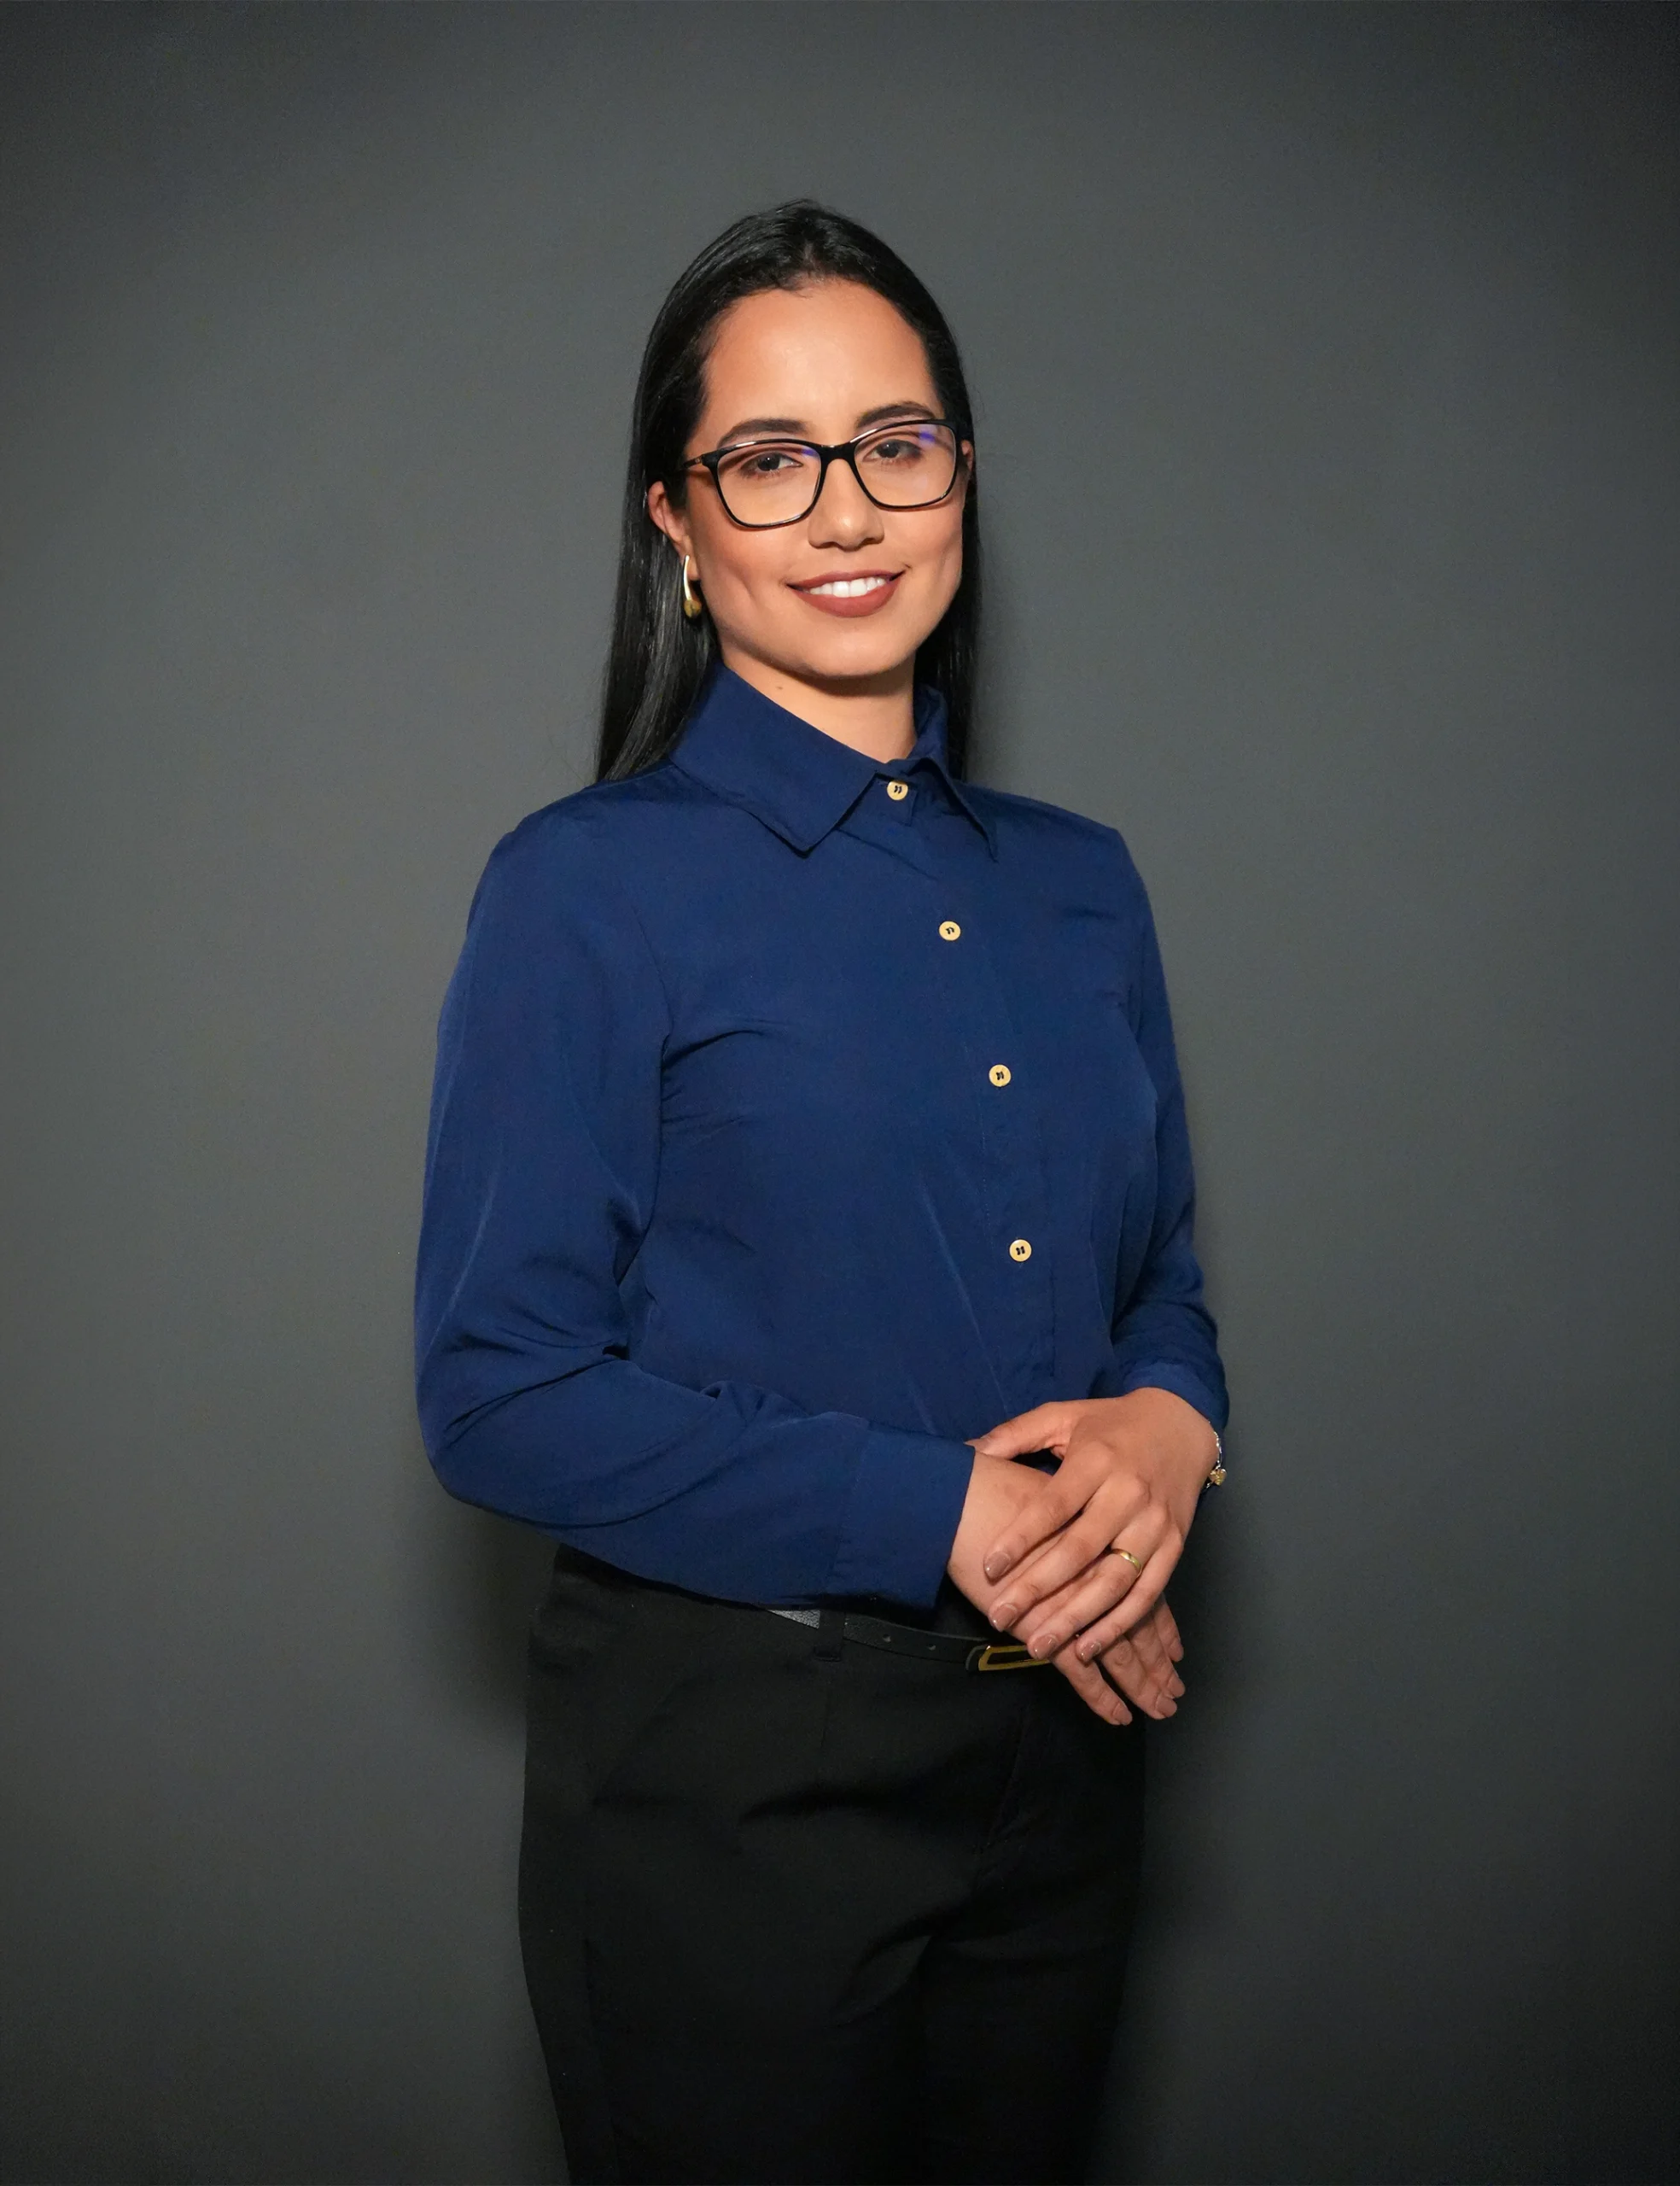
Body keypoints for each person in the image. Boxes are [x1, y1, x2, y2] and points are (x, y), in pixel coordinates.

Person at [414, 201, 1228, 2186]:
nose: (848, 507)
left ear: (964, 474)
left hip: (1064, 1761)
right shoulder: (584, 886)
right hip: (733, 1790)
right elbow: (500, 1387)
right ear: (678, 525)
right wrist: (948, 1508)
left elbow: (1161, 1275)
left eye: (897, 443)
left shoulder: (1085, 881)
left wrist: (1171, 1425)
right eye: (769, 459)